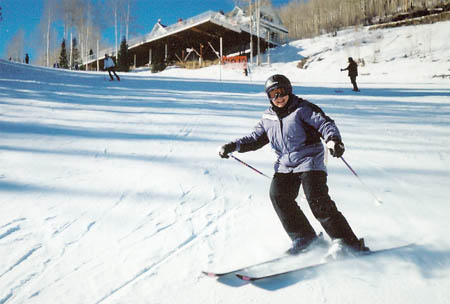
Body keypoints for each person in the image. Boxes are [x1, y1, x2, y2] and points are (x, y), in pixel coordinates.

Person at [218, 74, 368, 257]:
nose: (278, 98)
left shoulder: (303, 109)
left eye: (281, 92)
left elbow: (325, 124)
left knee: (317, 200)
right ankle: (304, 237)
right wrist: (232, 146)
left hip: (310, 161)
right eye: (273, 94)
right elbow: (254, 139)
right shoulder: (268, 117)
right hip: (285, 166)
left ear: (288, 91)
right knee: (279, 196)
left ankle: (346, 242)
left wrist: (333, 140)